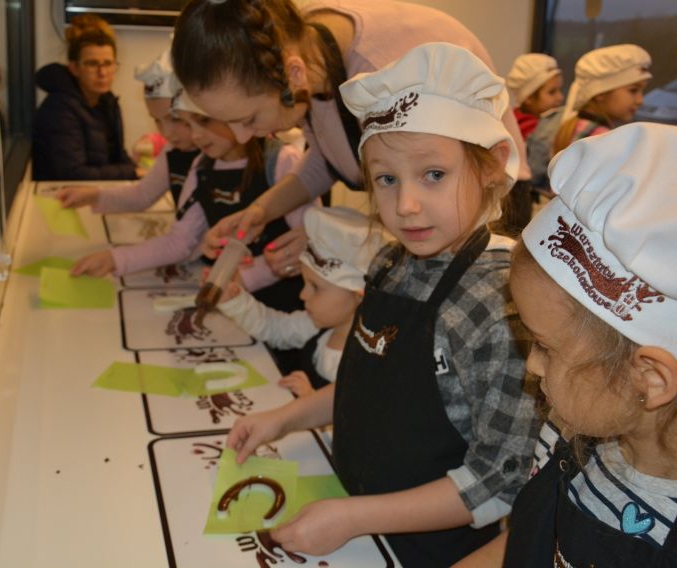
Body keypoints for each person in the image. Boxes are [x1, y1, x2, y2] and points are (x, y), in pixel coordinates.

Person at [226, 43, 540, 566]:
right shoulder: (391, 262)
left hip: (428, 548)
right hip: (349, 511)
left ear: (492, 165)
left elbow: (497, 481)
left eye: (433, 174)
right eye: (387, 179)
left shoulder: (500, 304)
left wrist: (354, 518)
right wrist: (285, 419)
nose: (406, 206)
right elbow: (366, 385)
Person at [455, 123, 677, 567]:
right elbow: (528, 541)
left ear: (650, 378)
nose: (531, 366)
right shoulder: (570, 427)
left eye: (545, 347)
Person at [170, 0, 532, 273]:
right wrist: (261, 212)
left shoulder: (383, 70)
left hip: (484, 217)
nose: (241, 136)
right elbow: (329, 156)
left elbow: (419, 193)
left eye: (249, 119)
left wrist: (333, 238)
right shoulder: (306, 53)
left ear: (293, 73)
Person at [72, 90, 306, 309]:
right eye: (188, 124)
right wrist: (114, 259)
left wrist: (244, 277)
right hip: (234, 300)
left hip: (286, 304)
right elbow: (181, 241)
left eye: (203, 121)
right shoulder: (201, 165)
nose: (195, 135)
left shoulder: (282, 160)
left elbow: (308, 243)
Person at [217, 205, 388, 397]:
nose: (302, 295)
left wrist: (311, 399)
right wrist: (236, 301)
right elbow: (277, 329)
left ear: (359, 295)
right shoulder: (316, 325)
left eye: (315, 287)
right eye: (305, 283)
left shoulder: (368, 361)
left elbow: (361, 414)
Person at [57, 49, 200, 213]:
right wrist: (94, 196)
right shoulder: (171, 149)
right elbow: (142, 195)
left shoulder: (216, 152)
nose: (166, 133)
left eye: (176, 119)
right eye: (157, 120)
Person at [32, 14, 137, 181]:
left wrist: (139, 173)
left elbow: (118, 155)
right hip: (61, 192)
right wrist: (133, 173)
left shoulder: (108, 101)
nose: (102, 73)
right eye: (92, 64)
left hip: (94, 189)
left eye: (108, 63)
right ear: (74, 68)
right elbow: (72, 173)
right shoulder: (59, 108)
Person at [552, 44, 651, 155]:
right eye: (633, 90)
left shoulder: (575, 125)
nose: (640, 101)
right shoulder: (602, 139)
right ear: (600, 93)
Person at [506, 53, 564, 141]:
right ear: (529, 97)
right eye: (552, 92)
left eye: (560, 90)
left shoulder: (513, 120)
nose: (560, 97)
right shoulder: (530, 130)